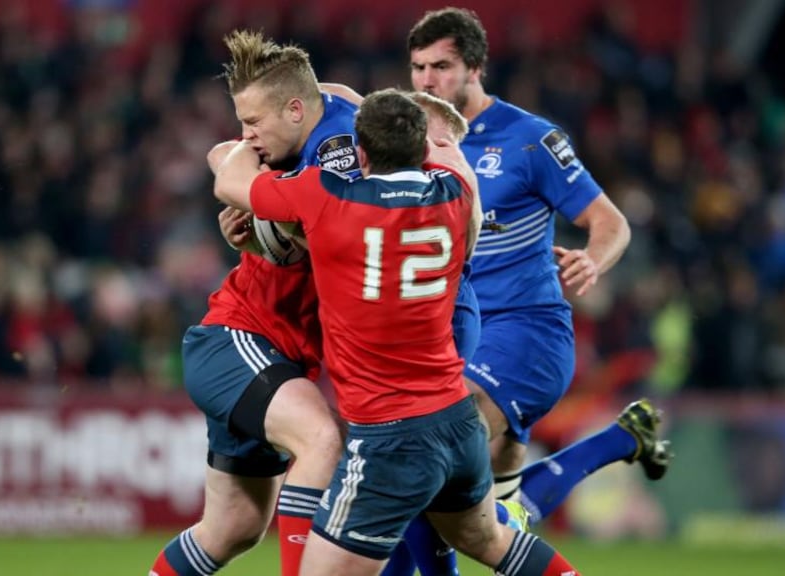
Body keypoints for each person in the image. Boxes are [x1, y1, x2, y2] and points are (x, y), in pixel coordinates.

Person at [212, 87, 581, 576]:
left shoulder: (327, 196)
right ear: (422, 150)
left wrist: (250, 136)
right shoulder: (453, 192)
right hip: (456, 422)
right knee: (489, 540)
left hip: (390, 435)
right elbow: (455, 162)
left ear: (360, 152)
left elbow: (231, 182)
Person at [405, 7, 672, 523]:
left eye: (440, 66)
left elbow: (611, 222)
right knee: (495, 520)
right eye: (418, 67)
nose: (426, 80)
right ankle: (619, 440)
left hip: (525, 331)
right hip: (455, 342)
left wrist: (592, 260)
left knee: (430, 451)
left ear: (475, 67)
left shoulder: (530, 139)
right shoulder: (415, 144)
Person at [149, 29, 361, 576]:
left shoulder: (335, 151)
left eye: (253, 123)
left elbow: (330, 231)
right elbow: (224, 155)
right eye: (241, 122)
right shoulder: (313, 124)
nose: (246, 137)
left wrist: (270, 216)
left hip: (279, 356)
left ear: (296, 109)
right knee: (321, 438)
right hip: (238, 340)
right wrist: (261, 208)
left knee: (232, 530)